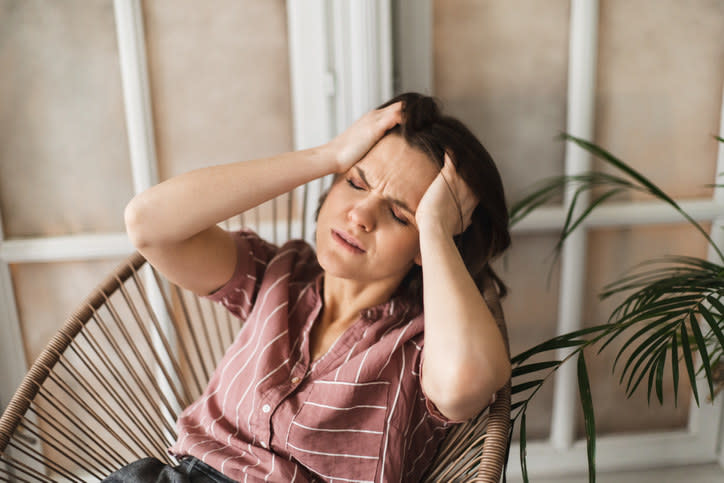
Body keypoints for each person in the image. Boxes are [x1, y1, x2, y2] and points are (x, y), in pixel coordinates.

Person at [108, 92, 511, 482]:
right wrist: (328, 155)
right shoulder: (277, 273)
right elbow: (147, 223)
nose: (360, 215)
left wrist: (437, 227)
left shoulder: (420, 345)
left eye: (400, 215)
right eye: (355, 182)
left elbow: (466, 385)